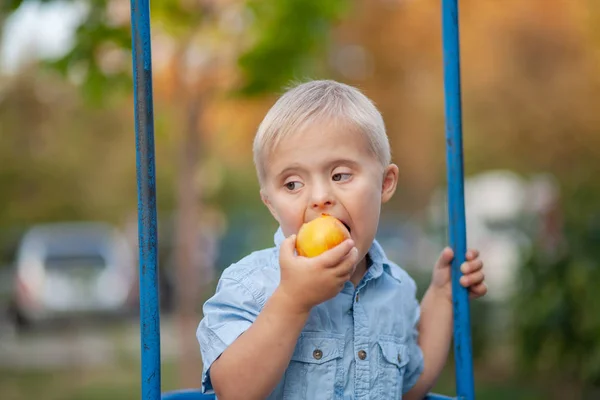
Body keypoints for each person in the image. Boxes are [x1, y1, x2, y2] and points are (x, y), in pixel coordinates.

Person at [196, 80, 487, 399]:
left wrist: (443, 296)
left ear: (385, 184)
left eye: (340, 175)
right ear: (271, 204)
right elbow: (233, 391)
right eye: (292, 184)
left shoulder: (396, 290)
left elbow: (410, 386)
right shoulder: (250, 285)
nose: (320, 197)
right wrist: (292, 301)